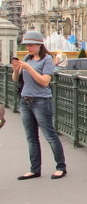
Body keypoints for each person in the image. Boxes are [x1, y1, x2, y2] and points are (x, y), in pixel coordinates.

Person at [11, 31, 67, 180]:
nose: (28, 47)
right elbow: (16, 79)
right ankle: (34, 169)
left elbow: (44, 82)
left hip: (41, 101)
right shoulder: (26, 58)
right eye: (26, 45)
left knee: (50, 135)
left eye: (30, 45)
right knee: (31, 137)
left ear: (39, 45)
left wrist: (29, 68)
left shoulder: (47, 60)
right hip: (25, 101)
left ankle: (61, 167)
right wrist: (16, 70)